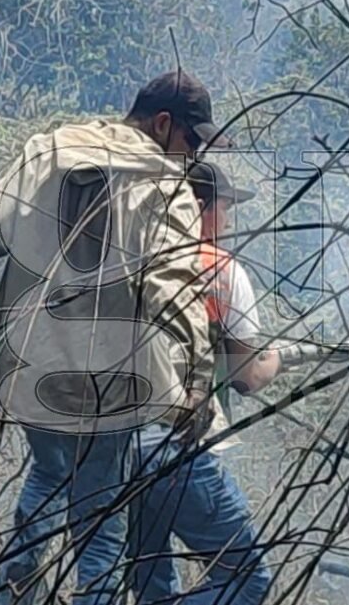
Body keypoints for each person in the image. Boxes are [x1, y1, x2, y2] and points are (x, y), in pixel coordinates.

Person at [0, 71, 229, 605]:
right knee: (100, 523)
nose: (192, 154)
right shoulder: (164, 185)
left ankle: (9, 595)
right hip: (111, 383)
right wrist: (197, 383)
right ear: (162, 124)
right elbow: (172, 290)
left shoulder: (49, 151)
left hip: (30, 370)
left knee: (47, 474)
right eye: (191, 140)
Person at [128, 160, 280, 605]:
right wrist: (277, 360)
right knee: (248, 581)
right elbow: (246, 377)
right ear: (198, 206)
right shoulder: (220, 269)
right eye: (225, 208)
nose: (229, 221)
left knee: (151, 586)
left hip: (115, 448)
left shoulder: (132, 258)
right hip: (177, 449)